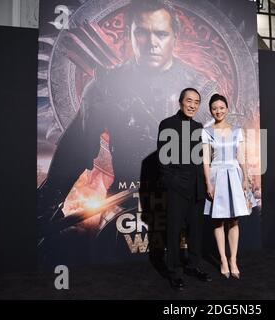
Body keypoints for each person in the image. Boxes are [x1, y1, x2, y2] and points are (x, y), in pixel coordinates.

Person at [37, 0, 215, 247]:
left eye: (161, 34)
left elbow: (216, 150)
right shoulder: (105, 86)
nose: (151, 42)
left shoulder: (202, 89)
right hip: (124, 203)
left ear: (175, 37)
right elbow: (76, 150)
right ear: (129, 35)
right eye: (142, 32)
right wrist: (46, 204)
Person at [157, 88, 212, 291]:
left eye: (196, 102)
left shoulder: (199, 127)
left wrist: (206, 184)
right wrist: (173, 182)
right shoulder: (167, 124)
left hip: (197, 188)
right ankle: (174, 272)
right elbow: (163, 162)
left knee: (196, 232)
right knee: (173, 232)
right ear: (180, 102)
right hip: (177, 189)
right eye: (189, 101)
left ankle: (193, 266)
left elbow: (203, 159)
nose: (192, 105)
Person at [202, 94, 256, 280]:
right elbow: (206, 160)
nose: (218, 110)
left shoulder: (237, 131)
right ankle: (223, 260)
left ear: (227, 108)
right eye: (214, 108)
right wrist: (208, 182)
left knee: (234, 220)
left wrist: (245, 178)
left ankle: (233, 260)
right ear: (211, 110)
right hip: (217, 175)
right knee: (218, 221)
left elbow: (241, 156)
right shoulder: (207, 131)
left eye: (221, 107)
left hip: (234, 175)